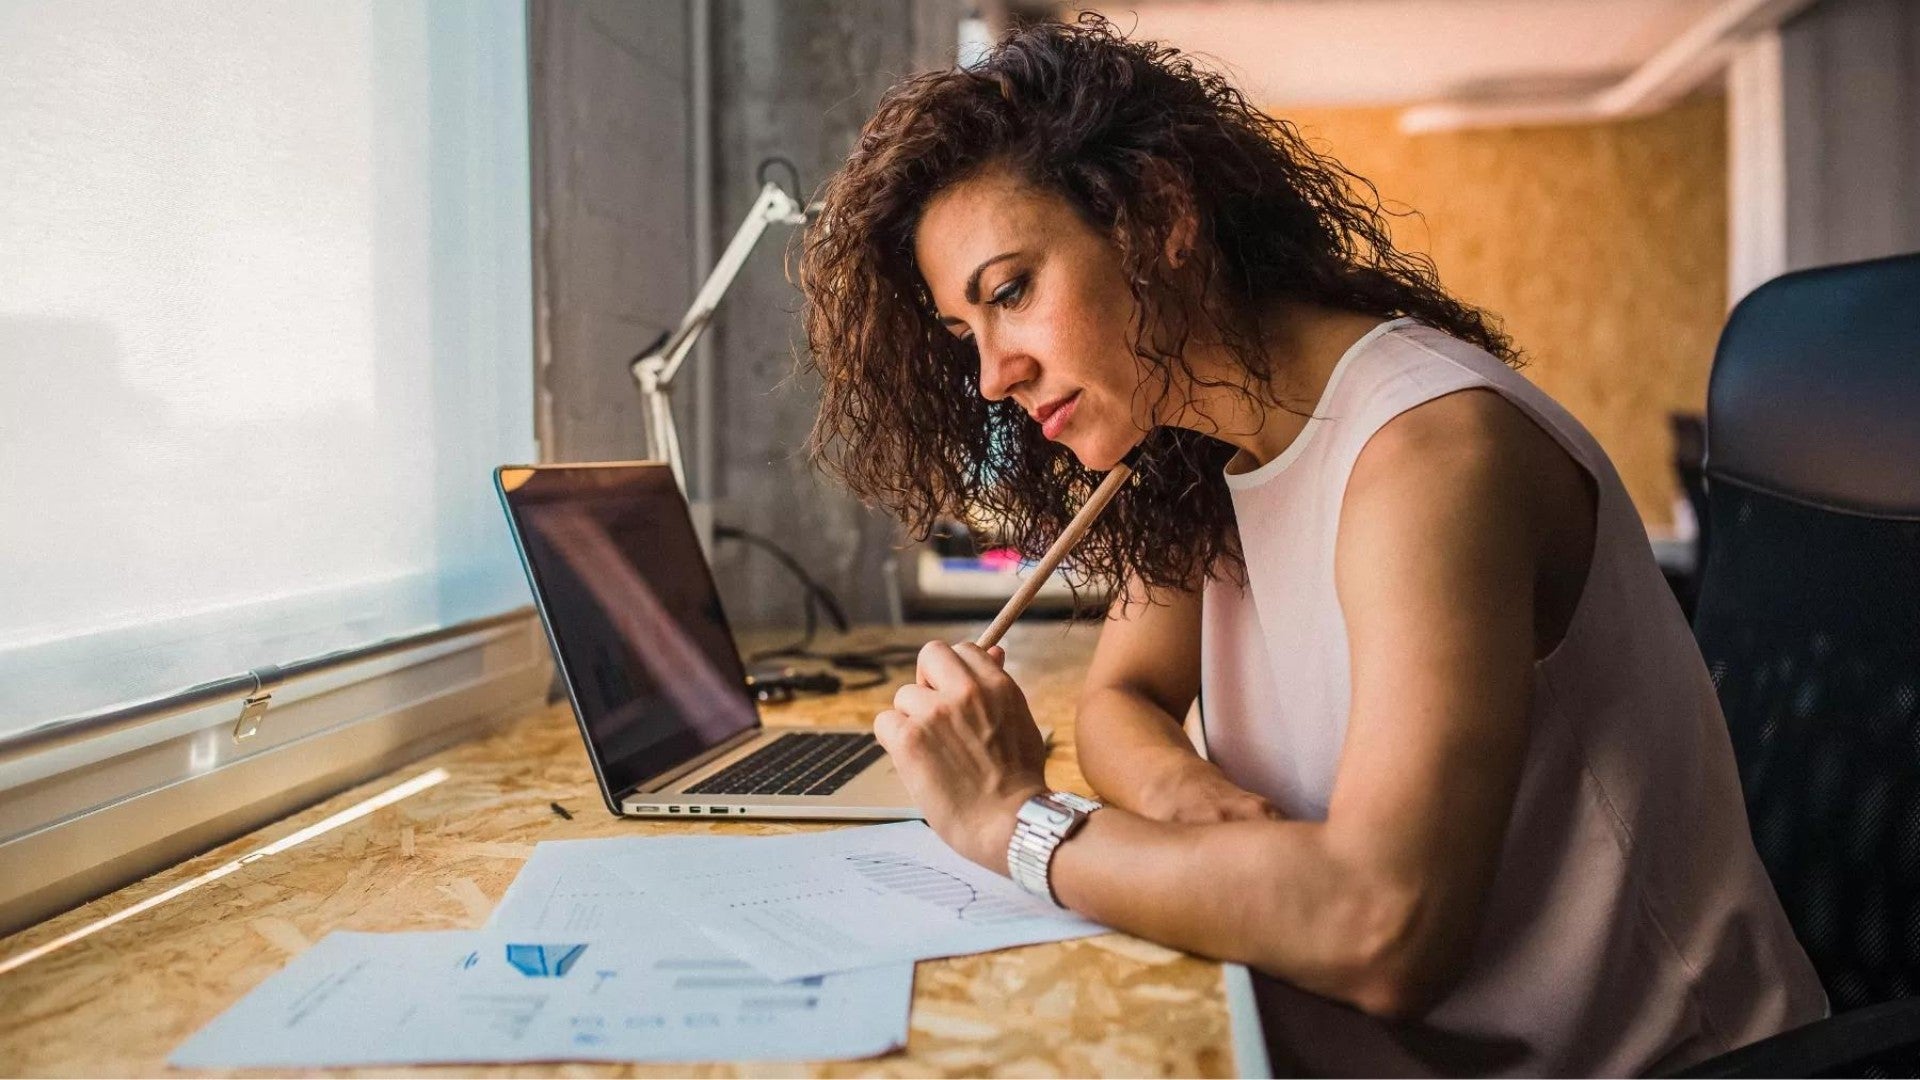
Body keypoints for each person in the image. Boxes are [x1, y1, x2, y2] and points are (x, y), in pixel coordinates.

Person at [797, 15, 1825, 1076]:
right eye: (966, 335)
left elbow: (1384, 931)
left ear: (1159, 214)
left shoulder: (1428, 454)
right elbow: (1121, 702)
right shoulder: (1199, 453)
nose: (991, 377)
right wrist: (1194, 805)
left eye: (1010, 293)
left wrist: (1016, 822)